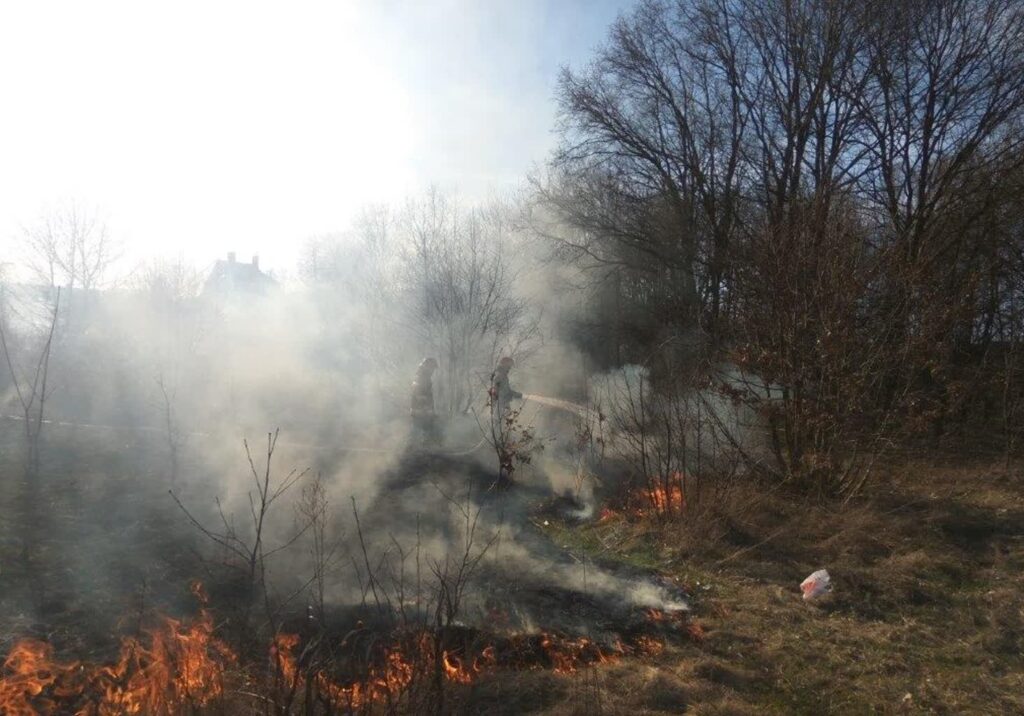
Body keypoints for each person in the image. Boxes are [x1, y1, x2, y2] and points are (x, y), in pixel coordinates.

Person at [410, 357, 439, 443]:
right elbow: (418, 395)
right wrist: (428, 410)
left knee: (419, 434)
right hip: (421, 413)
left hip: (421, 412)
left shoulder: (422, 376)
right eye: (432, 368)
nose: (433, 371)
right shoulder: (422, 378)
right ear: (427, 367)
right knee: (423, 434)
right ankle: (417, 452)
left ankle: (418, 451)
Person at [489, 356, 522, 420]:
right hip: (500, 405)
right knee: (499, 422)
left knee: (505, 419)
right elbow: (499, 391)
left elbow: (506, 390)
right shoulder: (500, 375)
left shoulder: (502, 375)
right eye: (509, 366)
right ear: (504, 365)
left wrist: (516, 394)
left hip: (502, 404)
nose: (509, 368)